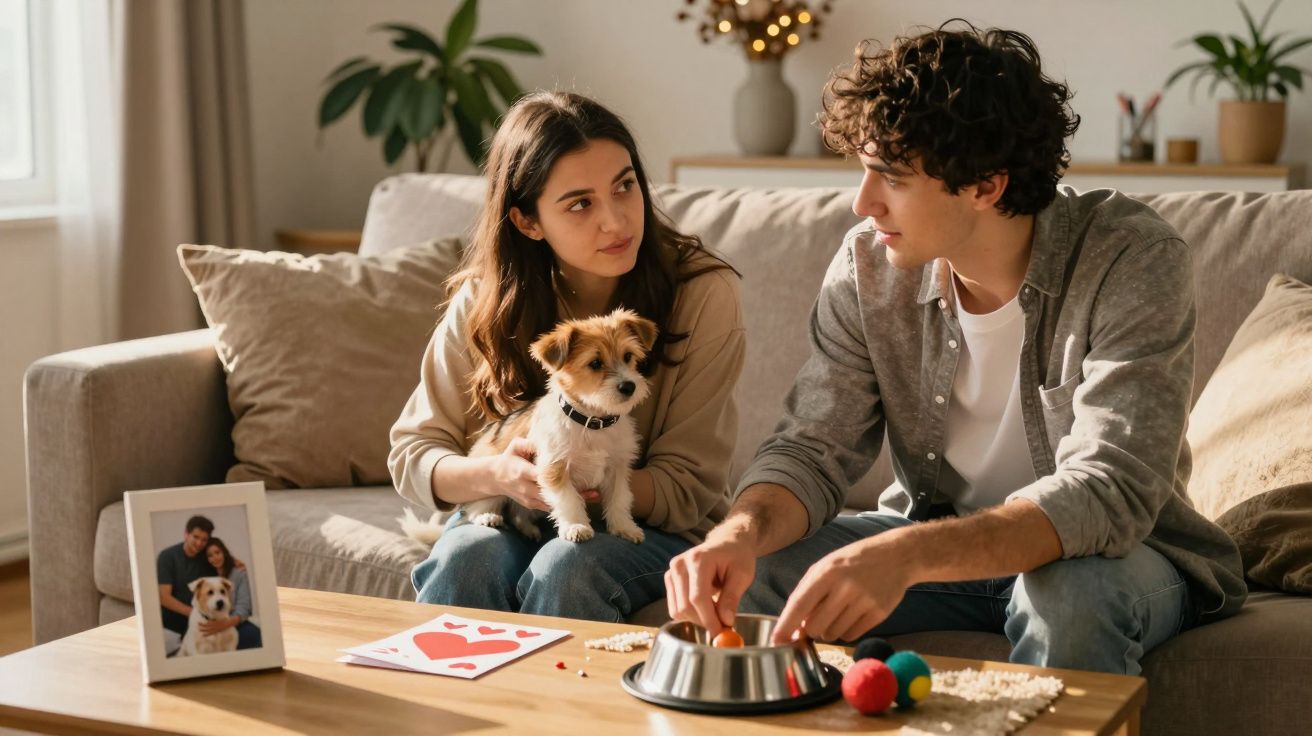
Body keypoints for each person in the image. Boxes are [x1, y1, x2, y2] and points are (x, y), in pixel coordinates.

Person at [664, 21, 1247, 675]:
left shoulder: (1130, 259)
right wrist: (738, 534)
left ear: (985, 186)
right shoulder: (867, 268)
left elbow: (1109, 490)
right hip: (937, 539)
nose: (863, 203)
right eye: (863, 172)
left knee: (1067, 594)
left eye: (891, 178)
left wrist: (908, 558)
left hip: (1110, 559)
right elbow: (812, 447)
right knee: (763, 568)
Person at [389, 91, 746, 623]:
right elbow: (414, 454)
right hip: (511, 510)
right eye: (580, 203)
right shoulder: (485, 299)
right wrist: (500, 476)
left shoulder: (702, 293)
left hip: (646, 523)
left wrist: (584, 484)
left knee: (567, 567)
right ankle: (459, 708)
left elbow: (689, 487)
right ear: (528, 221)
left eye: (625, 187)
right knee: (465, 560)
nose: (616, 220)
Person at [157, 515, 216, 653]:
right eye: (195, 537)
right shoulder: (167, 556)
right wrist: (194, 613)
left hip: (200, 620)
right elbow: (163, 597)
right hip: (171, 620)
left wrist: (236, 563)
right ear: (186, 534)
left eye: (204, 540)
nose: (199, 543)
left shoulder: (207, 559)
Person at [204, 537, 263, 650]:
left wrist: (226, 624)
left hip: (234, 622)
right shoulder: (205, 578)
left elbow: (245, 607)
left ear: (224, 552)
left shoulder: (239, 573)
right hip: (212, 623)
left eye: (217, 552)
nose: (215, 558)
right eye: (210, 556)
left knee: (257, 635)